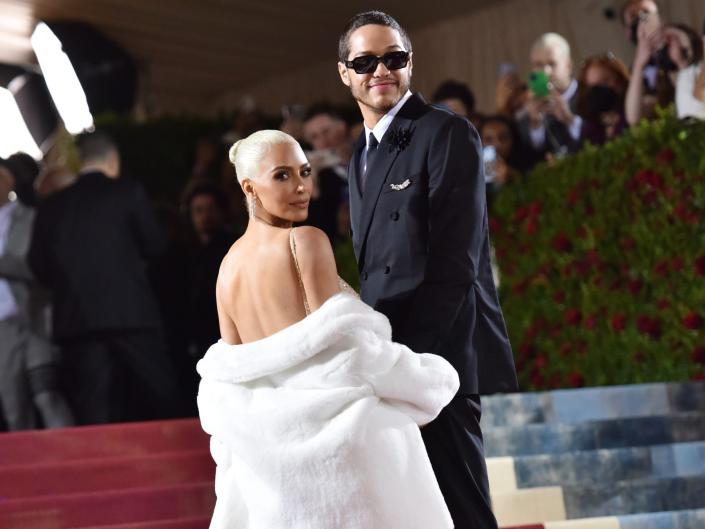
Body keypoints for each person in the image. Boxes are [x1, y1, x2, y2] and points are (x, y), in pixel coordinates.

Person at [197, 129, 459, 529]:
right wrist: (428, 377)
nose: (301, 187)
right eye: (282, 176)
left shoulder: (226, 267)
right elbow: (339, 352)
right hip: (340, 446)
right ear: (248, 187)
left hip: (270, 457)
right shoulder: (306, 241)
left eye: (304, 172)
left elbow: (233, 374)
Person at [337, 11, 518, 529]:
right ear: (344, 72)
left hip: (439, 355)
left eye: (393, 58)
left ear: (410, 63)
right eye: (365, 61)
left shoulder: (447, 132)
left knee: (461, 504)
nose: (381, 70)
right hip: (391, 357)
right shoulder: (360, 154)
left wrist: (416, 358)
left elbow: (457, 261)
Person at [28, 132, 179, 424]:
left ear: (81, 162)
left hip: (77, 320)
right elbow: (155, 245)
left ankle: (101, 469)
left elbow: (38, 266)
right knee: (161, 394)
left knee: (92, 408)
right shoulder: (128, 191)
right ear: (112, 160)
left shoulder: (52, 207)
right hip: (131, 314)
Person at [0, 158, 73, 430]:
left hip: (33, 321)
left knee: (47, 395)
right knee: (14, 408)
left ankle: (69, 456)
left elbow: (39, 266)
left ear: (9, 181)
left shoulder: (31, 217)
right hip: (2, 331)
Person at [517, 32, 583, 160]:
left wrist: (570, 120)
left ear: (568, 66)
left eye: (552, 63)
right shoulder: (526, 115)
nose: (546, 71)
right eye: (539, 65)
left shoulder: (588, 94)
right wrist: (535, 124)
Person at [577, 54, 631, 145]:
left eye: (604, 81)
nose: (599, 91)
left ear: (619, 79)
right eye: (593, 87)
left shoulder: (635, 108)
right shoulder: (590, 130)